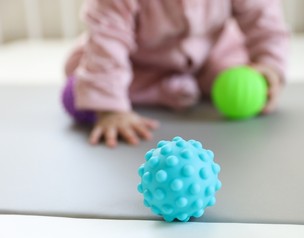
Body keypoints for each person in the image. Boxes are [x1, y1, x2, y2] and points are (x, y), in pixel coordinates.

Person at [63, 0, 289, 148]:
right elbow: (108, 39)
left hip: (210, 52)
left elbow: (263, 18)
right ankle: (161, 88)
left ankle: (182, 84)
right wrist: (110, 109)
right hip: (140, 61)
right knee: (88, 75)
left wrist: (268, 65)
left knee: (235, 66)